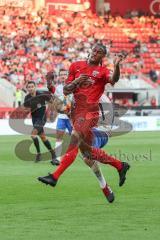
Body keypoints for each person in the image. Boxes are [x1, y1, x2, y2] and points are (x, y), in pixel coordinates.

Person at [38, 43, 130, 192]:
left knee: (74, 139)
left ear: (102, 57)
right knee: (87, 153)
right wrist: (77, 81)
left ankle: (54, 177)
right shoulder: (76, 66)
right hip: (77, 113)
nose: (95, 53)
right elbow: (67, 89)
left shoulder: (102, 71)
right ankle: (120, 166)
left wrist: (117, 66)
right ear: (91, 51)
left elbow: (114, 79)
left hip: (90, 113)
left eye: (99, 52)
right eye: (94, 50)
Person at [23, 80, 59, 164]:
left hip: (42, 118)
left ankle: (39, 154)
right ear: (27, 88)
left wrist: (52, 111)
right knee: (43, 137)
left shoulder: (41, 94)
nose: (31, 88)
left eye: (32, 86)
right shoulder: (27, 97)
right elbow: (26, 109)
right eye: (29, 87)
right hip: (34, 118)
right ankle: (53, 154)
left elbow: (52, 100)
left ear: (35, 87)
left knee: (33, 135)